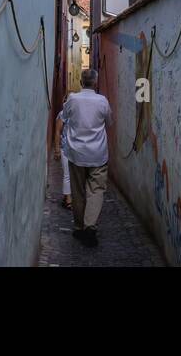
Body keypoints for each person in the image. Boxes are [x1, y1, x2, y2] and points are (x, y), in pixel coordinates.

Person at [59, 68, 112, 246]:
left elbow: (64, 117)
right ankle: (90, 226)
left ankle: (79, 227)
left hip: (77, 153)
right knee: (96, 190)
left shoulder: (73, 99)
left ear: (81, 82)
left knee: (78, 191)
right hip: (98, 153)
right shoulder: (102, 101)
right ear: (95, 82)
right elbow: (109, 122)